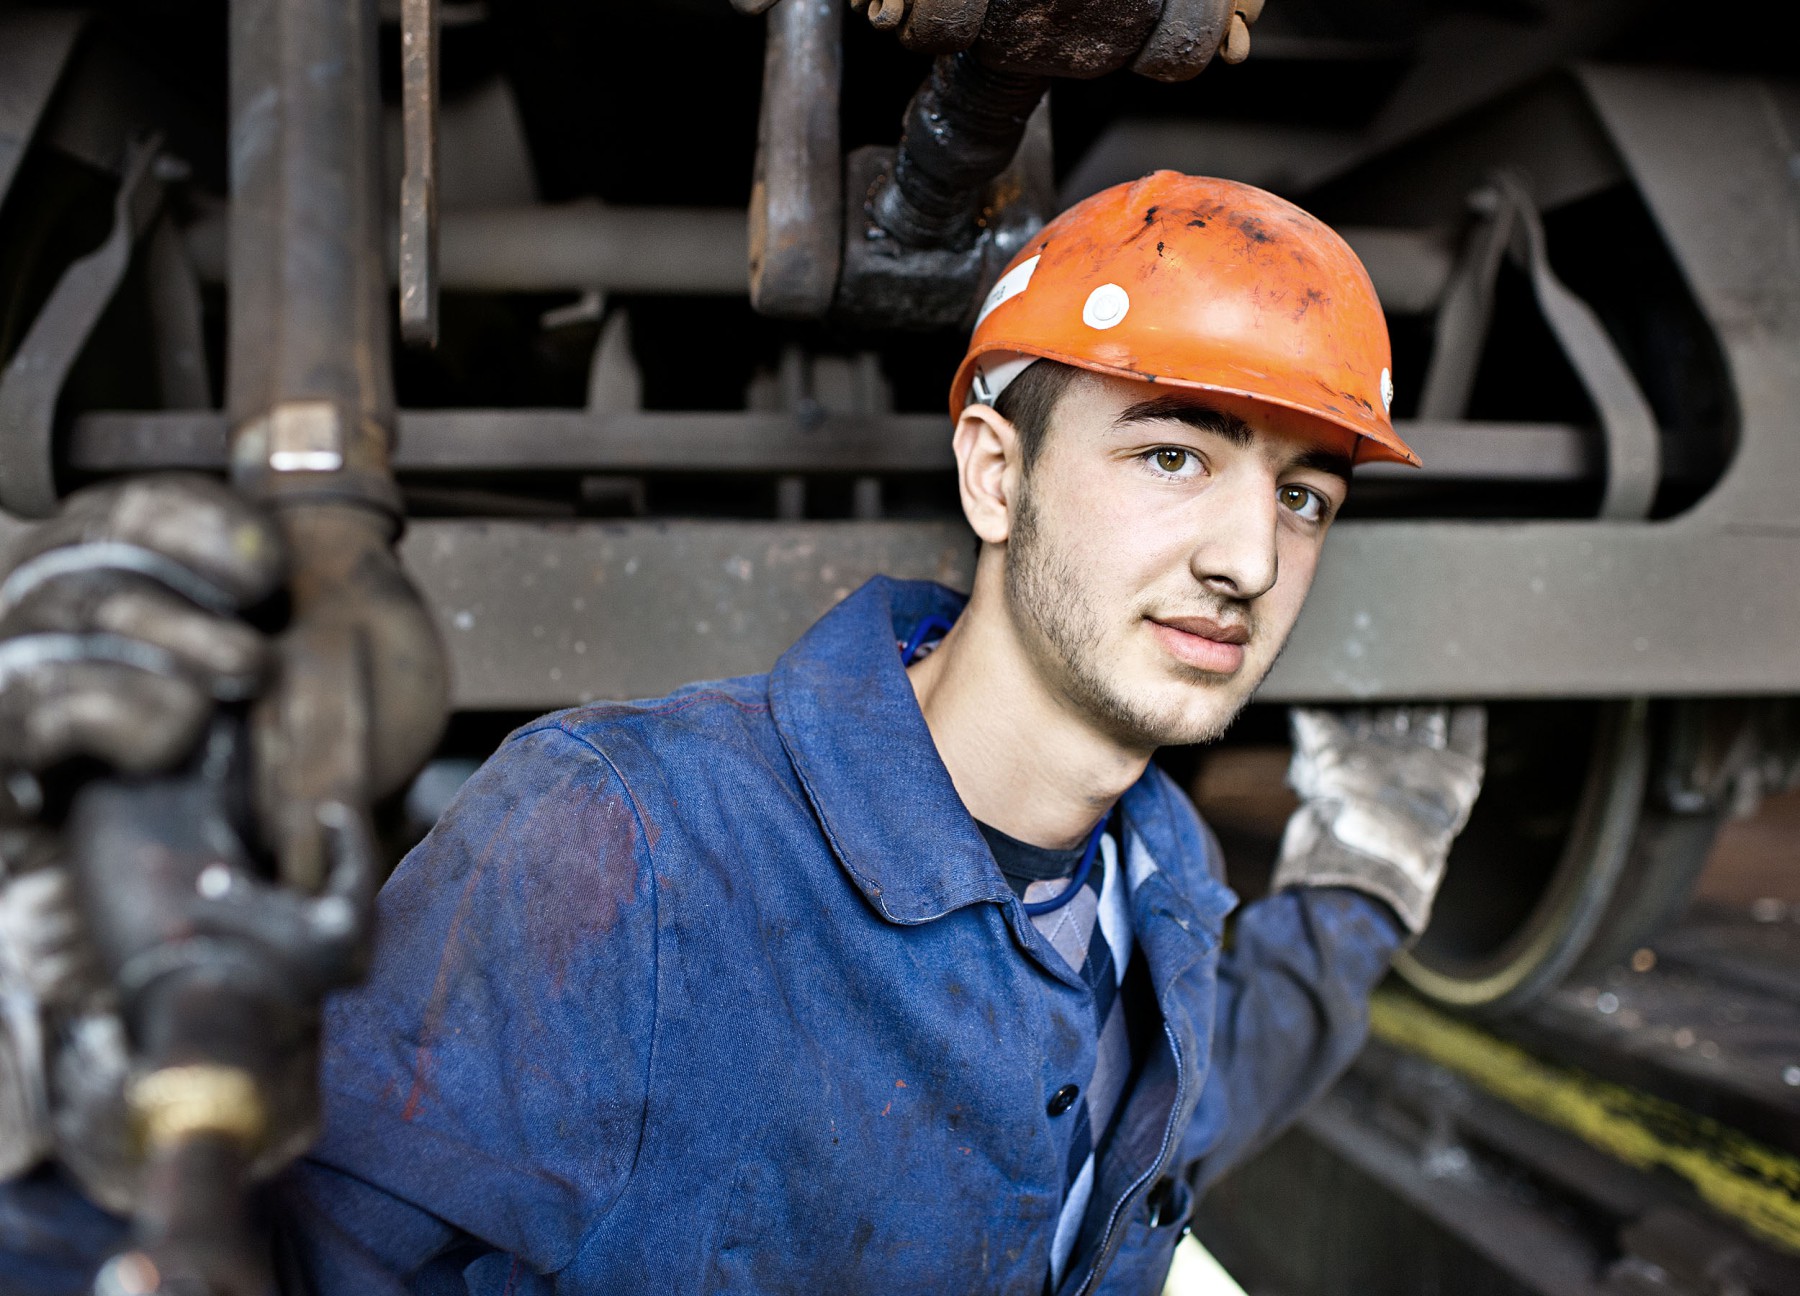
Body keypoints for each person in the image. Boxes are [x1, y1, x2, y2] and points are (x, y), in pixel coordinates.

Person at [0, 172, 1484, 1295]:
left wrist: (1364, 890)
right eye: (1173, 455)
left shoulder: (1157, 891)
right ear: (994, 474)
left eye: (1302, 497)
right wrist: (60, 1140)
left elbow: (1202, 1094)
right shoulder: (623, 847)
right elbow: (272, 1257)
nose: (1247, 556)